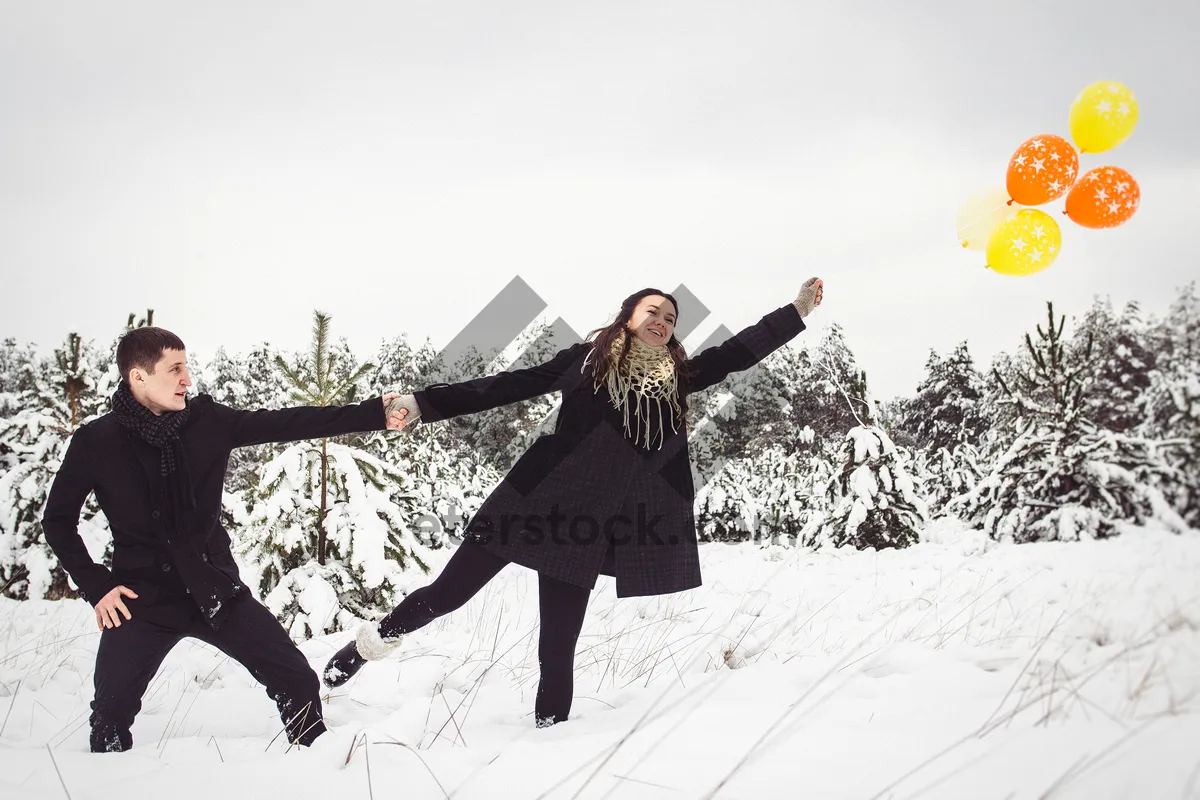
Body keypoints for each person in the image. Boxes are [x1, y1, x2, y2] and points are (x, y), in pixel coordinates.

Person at [323, 278, 825, 728]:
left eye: (670, 319)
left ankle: (549, 738)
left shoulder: (678, 379)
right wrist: (422, 404)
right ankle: (364, 649)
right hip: (532, 501)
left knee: (559, 644)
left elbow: (735, 353)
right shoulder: (586, 362)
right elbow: (504, 386)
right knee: (447, 594)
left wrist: (795, 311)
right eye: (653, 311)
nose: (662, 321)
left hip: (587, 521)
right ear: (628, 317)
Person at [41, 326, 408, 753]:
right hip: (141, 599)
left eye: (186, 366)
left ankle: (316, 767)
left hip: (211, 590)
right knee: (110, 712)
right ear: (138, 377)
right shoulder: (96, 441)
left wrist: (374, 414)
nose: (187, 379)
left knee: (296, 680)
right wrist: (97, 586)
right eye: (174, 369)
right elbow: (58, 520)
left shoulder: (207, 423)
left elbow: (291, 421)